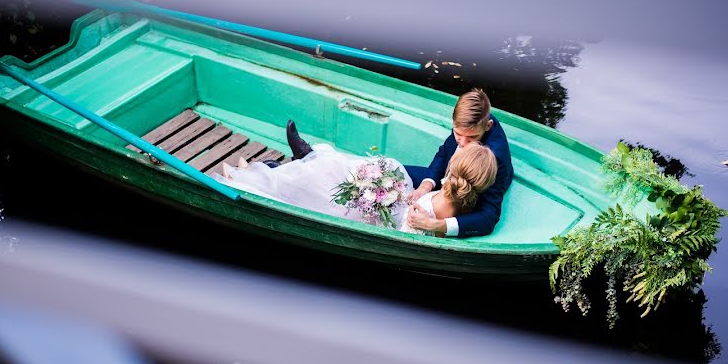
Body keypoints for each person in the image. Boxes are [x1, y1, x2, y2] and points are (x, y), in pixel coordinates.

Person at [211, 124, 497, 235]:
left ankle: (261, 175)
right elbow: (426, 202)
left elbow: (413, 229)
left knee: (327, 184)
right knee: (355, 170)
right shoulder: (456, 195)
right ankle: (288, 164)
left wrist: (389, 201)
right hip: (397, 205)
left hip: (385, 220)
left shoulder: (446, 209)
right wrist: (406, 193)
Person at [403, 88, 513, 238]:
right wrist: (425, 186)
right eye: (458, 134)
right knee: (396, 171)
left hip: (467, 194)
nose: (462, 143)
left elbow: (488, 217)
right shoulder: (467, 121)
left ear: (488, 126)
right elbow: (443, 153)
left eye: (471, 138)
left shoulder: (494, 157)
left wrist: (436, 225)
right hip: (446, 181)